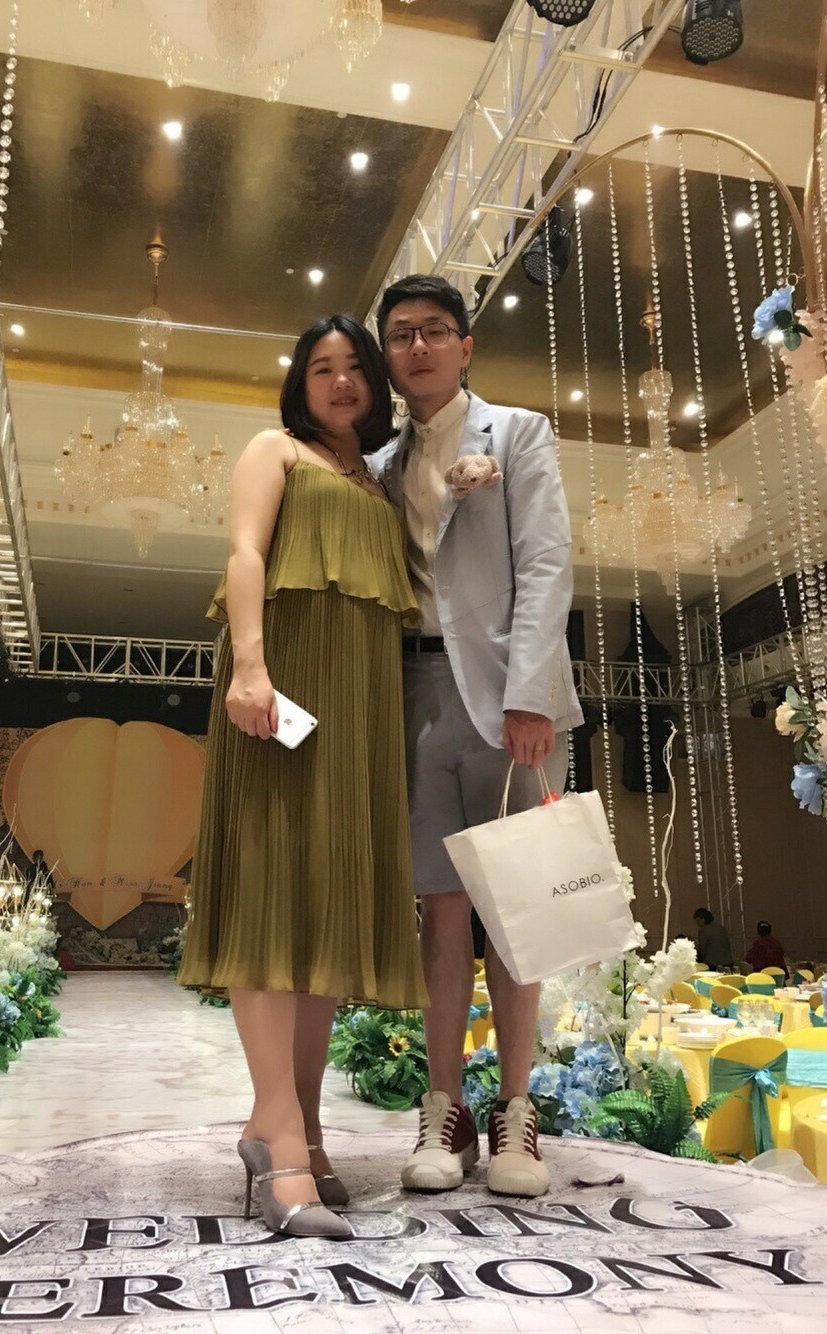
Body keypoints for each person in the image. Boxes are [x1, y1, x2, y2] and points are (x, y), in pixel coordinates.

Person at [178, 313, 428, 1238]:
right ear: (300, 383)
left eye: (355, 366)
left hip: (356, 714)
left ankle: (300, 1127)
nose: (341, 380)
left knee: (321, 914)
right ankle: (280, 1136)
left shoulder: (380, 481)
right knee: (271, 898)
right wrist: (249, 664)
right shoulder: (274, 450)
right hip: (278, 690)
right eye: (322, 368)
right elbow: (245, 552)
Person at [373, 274, 582, 1199]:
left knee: (517, 909)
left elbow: (546, 560)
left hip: (509, 701)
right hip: (414, 696)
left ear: (465, 348)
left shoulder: (518, 434)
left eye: (434, 331)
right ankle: (445, 1109)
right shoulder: (380, 463)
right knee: (442, 909)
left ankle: (516, 1114)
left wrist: (530, 693)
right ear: (388, 356)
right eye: (401, 334)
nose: (417, 346)